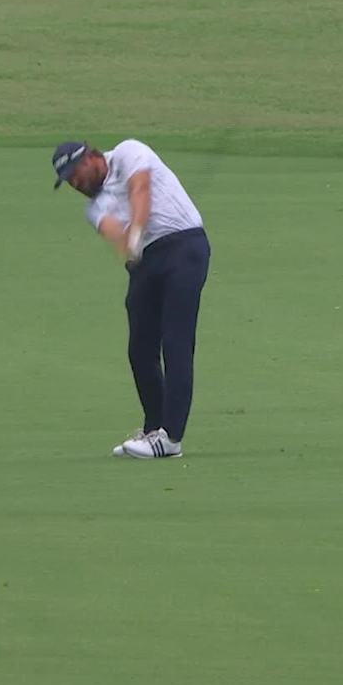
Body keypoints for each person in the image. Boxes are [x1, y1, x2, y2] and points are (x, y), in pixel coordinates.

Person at [52, 140, 211, 459]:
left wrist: (136, 232)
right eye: (69, 181)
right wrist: (130, 244)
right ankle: (154, 429)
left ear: (93, 156)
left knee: (176, 341)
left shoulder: (128, 152)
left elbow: (141, 190)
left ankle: (171, 439)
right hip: (147, 261)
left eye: (76, 174)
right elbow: (115, 232)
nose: (76, 183)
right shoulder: (94, 207)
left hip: (184, 246)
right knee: (140, 347)